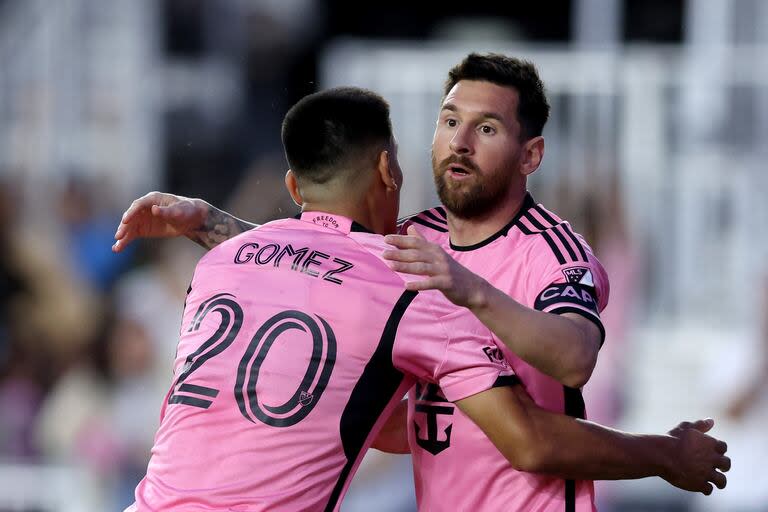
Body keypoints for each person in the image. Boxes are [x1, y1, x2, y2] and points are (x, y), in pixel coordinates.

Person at [115, 68, 729, 511]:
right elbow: (328, 261)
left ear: (530, 154)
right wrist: (665, 455)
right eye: (449, 121)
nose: (460, 141)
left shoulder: (548, 250)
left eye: (486, 128)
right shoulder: (407, 265)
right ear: (392, 168)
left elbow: (573, 360)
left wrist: (211, 225)